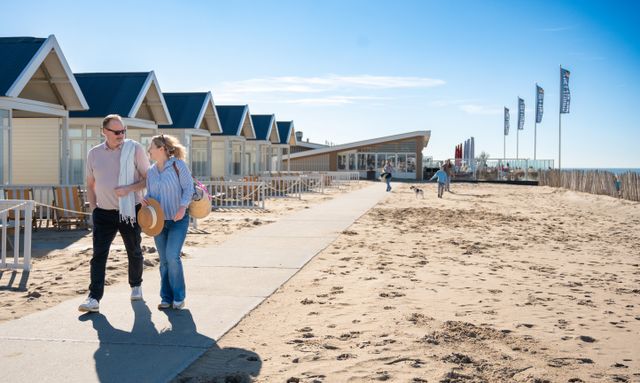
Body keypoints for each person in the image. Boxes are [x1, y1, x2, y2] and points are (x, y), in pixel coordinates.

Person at [79, 114, 150, 313]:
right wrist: (94, 209)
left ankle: (136, 285)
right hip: (103, 213)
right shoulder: (94, 153)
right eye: (116, 131)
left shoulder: (134, 149)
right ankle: (94, 297)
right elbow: (90, 184)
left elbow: (148, 179)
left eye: (123, 131)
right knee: (99, 255)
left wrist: (128, 189)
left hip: (130, 211)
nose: (121, 135)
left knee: (134, 251)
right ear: (104, 132)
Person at [144, 134, 194, 310]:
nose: (148, 150)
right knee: (164, 260)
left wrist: (182, 207)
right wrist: (145, 199)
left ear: (161, 149)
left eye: (151, 147)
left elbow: (189, 188)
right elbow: (151, 195)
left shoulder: (178, 165)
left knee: (173, 256)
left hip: (178, 220)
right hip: (158, 222)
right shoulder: (150, 171)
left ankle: (179, 297)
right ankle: (166, 297)